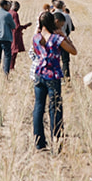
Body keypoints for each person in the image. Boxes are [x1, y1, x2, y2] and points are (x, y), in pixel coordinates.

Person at [30, 11, 76, 151]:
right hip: (53, 76)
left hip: (39, 74)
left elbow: (36, 53)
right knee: (55, 109)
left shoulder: (35, 37)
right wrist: (65, 36)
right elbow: (73, 51)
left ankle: (39, 142)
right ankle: (56, 141)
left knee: (38, 107)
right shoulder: (57, 39)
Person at [0, 0, 15, 76]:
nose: (9, 7)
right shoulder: (7, 15)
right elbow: (13, 26)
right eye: (8, 5)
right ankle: (6, 73)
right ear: (4, 6)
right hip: (5, 37)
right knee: (7, 56)